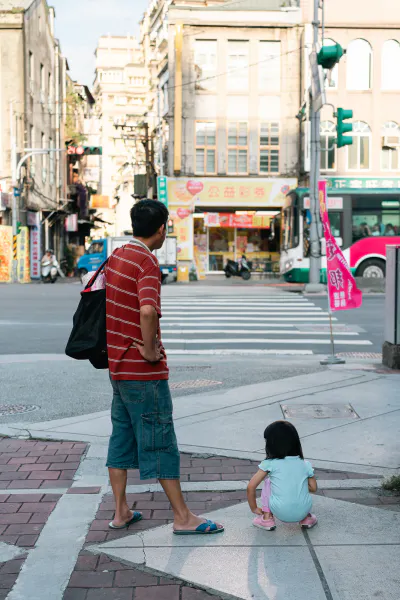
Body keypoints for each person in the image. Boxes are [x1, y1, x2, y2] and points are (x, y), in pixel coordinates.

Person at [105, 199, 224, 535]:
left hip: (117, 368)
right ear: (161, 229)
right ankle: (183, 517)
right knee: (161, 441)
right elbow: (146, 311)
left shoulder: (116, 256)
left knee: (122, 439)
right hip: (142, 373)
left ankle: (120, 511)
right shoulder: (146, 261)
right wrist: (152, 350)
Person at [247, 421, 318, 531]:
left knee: (269, 482)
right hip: (303, 509)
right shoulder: (305, 464)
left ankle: (267, 518)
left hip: (279, 510)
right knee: (300, 482)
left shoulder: (270, 463)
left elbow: (251, 486)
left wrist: (254, 508)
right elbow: (313, 488)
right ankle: (306, 518)